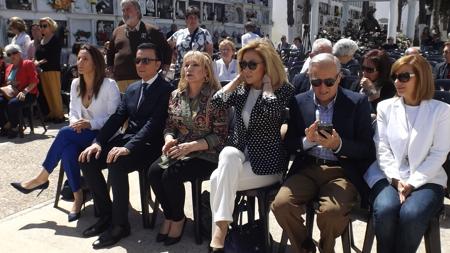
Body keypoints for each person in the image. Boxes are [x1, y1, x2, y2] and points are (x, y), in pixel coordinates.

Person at [272, 53, 375, 253]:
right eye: (316, 82)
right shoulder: (299, 101)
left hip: (341, 171)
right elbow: (290, 144)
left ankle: (327, 249)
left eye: (329, 82)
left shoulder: (357, 102)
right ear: (309, 78)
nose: (322, 88)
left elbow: (366, 148)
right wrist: (307, 141)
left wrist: (338, 144)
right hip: (307, 167)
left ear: (339, 78)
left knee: (332, 213)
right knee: (281, 205)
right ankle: (305, 247)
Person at [78, 43, 173, 249]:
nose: (140, 64)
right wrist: (98, 142)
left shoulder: (166, 89)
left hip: (150, 145)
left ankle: (120, 225)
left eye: (146, 60)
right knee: (87, 158)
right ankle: (106, 215)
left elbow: (154, 124)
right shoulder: (131, 88)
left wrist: (128, 147)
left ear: (158, 64)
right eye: (138, 60)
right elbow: (117, 118)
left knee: (117, 163)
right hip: (128, 140)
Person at [10, 44, 120, 221]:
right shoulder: (76, 83)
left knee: (63, 134)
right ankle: (77, 197)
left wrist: (89, 124)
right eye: (78, 58)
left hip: (103, 137)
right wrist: (77, 124)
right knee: (68, 149)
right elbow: (73, 112)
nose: (80, 63)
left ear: (96, 63)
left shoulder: (109, 85)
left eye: (85, 59)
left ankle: (42, 178)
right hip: (80, 134)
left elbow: (114, 119)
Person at [208, 40, 294, 251]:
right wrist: (238, 79)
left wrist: (265, 85)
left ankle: (219, 238)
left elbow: (272, 111)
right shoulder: (242, 90)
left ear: (266, 65)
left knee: (216, 180)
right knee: (227, 154)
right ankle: (220, 237)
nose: (246, 69)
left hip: (267, 166)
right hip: (238, 160)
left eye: (252, 65)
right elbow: (216, 103)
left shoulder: (283, 89)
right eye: (242, 64)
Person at [370, 54, 450, 253]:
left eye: (404, 77)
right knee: (386, 209)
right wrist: (397, 181)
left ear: (421, 77)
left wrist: (412, 182)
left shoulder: (441, 111)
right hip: (389, 175)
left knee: (412, 214)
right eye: (395, 76)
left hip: (428, 178)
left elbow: (439, 152)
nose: (397, 82)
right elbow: (382, 147)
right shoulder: (385, 107)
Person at [147, 51, 228, 246]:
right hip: (180, 149)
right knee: (154, 172)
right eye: (186, 65)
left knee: (171, 175)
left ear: (206, 73)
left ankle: (178, 220)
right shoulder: (176, 95)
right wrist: (168, 139)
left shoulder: (215, 98)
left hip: (207, 153)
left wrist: (192, 146)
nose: (188, 69)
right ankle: (170, 215)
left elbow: (221, 135)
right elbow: (169, 125)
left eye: (195, 65)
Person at [107, 0, 172, 92]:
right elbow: (110, 53)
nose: (125, 13)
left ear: (137, 11)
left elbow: (167, 50)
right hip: (120, 82)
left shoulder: (152, 31)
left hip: (145, 81)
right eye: (123, 10)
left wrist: (164, 73)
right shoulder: (117, 31)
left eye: (128, 9)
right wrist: (111, 74)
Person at [0, 44, 39, 139]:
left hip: (29, 93)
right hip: (13, 93)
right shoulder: (9, 67)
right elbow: (7, 83)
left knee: (12, 104)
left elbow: (34, 81)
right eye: (9, 54)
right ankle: (5, 125)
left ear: (19, 53)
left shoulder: (27, 63)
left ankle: (13, 127)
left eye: (14, 53)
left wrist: (24, 91)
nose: (12, 56)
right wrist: (10, 84)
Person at [34, 17, 65, 123]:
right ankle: (52, 114)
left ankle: (59, 115)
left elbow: (53, 55)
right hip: (42, 70)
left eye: (44, 26)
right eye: (40, 26)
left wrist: (39, 62)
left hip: (52, 69)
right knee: (47, 93)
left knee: (54, 93)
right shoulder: (42, 40)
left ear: (51, 26)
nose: (42, 28)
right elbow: (38, 54)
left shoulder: (55, 38)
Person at [168, 6, 213, 76]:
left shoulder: (204, 33)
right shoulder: (179, 33)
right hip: (180, 71)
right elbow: (166, 45)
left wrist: (205, 68)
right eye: (191, 18)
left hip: (197, 72)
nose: (193, 20)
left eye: (195, 18)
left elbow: (209, 54)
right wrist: (172, 59)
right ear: (186, 20)